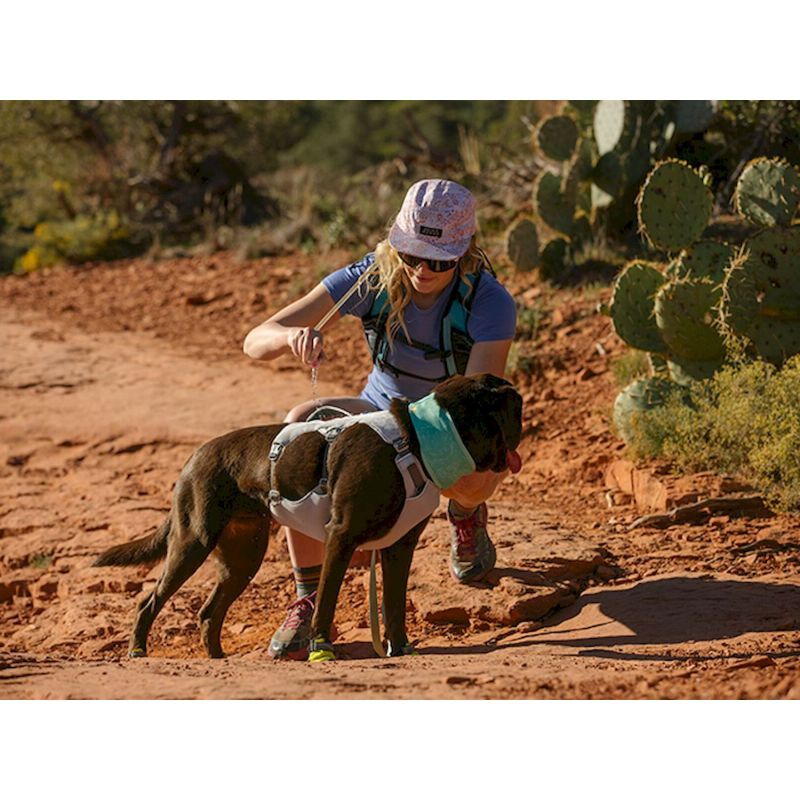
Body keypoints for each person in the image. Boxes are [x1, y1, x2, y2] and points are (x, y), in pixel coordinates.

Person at [243, 178, 517, 659]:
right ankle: (308, 599)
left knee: (473, 480)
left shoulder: (489, 302)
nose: (422, 270)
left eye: (439, 260)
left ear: (465, 252)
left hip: (445, 424)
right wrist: (291, 339)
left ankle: (467, 515)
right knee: (300, 423)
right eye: (412, 254)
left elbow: (475, 403)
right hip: (380, 411)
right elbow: (255, 339)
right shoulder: (372, 277)